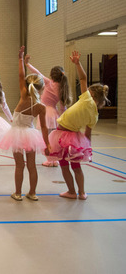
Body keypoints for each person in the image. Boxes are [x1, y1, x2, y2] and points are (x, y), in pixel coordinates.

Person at [48, 51, 109, 200]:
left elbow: (83, 78)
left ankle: (71, 191)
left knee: (64, 165)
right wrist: (88, 150)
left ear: (92, 95)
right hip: (75, 138)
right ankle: (81, 193)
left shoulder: (87, 99)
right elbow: (87, 134)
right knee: (76, 166)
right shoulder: (95, 115)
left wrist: (77, 63)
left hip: (62, 135)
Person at [0, 46, 50, 201]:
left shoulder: (24, 95)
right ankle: (32, 193)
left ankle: (17, 193)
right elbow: (44, 128)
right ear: (42, 89)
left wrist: (20, 59)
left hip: (17, 134)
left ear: (26, 85)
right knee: (32, 166)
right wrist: (47, 145)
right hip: (31, 134)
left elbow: (20, 76)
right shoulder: (41, 107)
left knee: (19, 165)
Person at [25, 55, 71, 167]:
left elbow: (37, 73)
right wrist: (63, 119)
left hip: (46, 113)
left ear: (51, 75)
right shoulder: (62, 87)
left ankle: (50, 160)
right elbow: (62, 106)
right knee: (53, 138)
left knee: (47, 139)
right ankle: (54, 159)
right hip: (54, 114)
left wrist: (27, 64)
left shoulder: (49, 83)